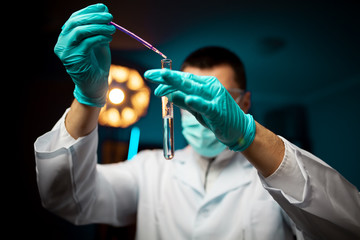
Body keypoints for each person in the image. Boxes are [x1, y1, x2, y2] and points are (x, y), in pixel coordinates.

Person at [34, 4, 360, 240]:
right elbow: (67, 199)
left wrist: (248, 135)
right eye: (189, 98)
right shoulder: (150, 168)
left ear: (244, 102)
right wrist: (89, 99)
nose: (199, 112)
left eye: (214, 98)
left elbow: (347, 228)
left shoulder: (279, 172)